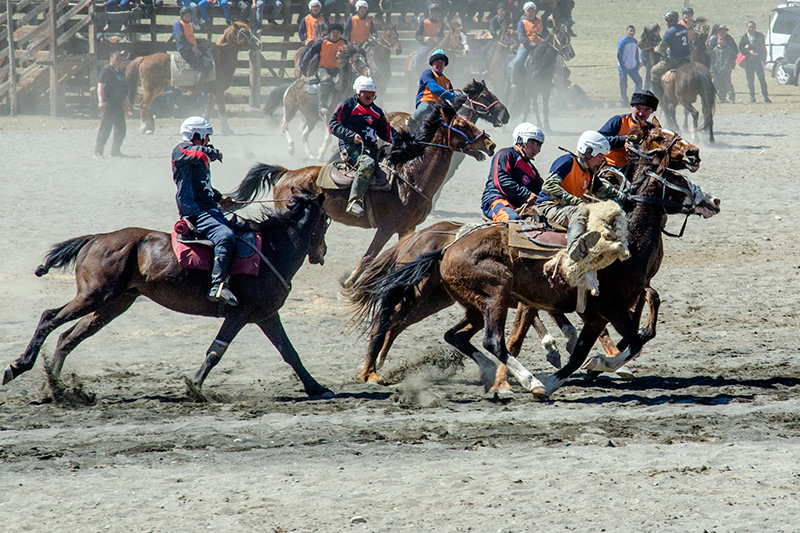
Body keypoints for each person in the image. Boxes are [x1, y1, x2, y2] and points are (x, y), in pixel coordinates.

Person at [172, 116, 238, 306]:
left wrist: (219, 198)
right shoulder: (182, 150)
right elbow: (202, 154)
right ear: (195, 134)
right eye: (206, 136)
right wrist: (215, 153)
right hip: (196, 211)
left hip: (207, 206)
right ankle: (218, 285)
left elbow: (203, 186)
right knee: (224, 236)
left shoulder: (195, 156)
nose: (208, 140)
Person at [535, 131, 623, 261]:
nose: (601, 161)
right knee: (583, 209)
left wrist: (625, 197)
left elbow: (604, 192)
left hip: (567, 210)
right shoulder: (567, 161)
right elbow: (549, 186)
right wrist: (577, 202)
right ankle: (574, 245)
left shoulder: (588, 172)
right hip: (548, 207)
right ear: (588, 152)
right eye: (599, 156)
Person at [328, 76, 396, 216]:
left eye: (372, 93)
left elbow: (387, 132)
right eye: (366, 92)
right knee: (368, 164)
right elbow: (333, 125)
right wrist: (351, 136)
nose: (369, 95)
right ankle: (354, 200)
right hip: (351, 147)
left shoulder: (377, 112)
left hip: (371, 148)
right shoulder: (346, 106)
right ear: (358, 92)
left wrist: (406, 139)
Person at [481, 122, 545, 222]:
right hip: (497, 200)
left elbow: (541, 190)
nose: (535, 148)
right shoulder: (506, 154)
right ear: (520, 140)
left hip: (518, 206)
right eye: (532, 142)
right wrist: (526, 195)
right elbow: (502, 182)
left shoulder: (532, 170)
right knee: (511, 219)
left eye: (539, 144)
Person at [598, 89, 658, 169]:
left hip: (637, 170)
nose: (641, 113)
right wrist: (624, 140)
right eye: (638, 108)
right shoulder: (619, 121)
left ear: (652, 111)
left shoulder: (653, 129)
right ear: (632, 107)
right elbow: (598, 140)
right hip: (611, 166)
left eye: (646, 110)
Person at [300, 22, 348, 116]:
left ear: (340, 34)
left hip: (337, 70)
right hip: (323, 69)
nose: (335, 34)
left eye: (337, 32)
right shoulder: (322, 42)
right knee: (326, 81)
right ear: (330, 33)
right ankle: (323, 106)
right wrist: (302, 66)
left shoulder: (344, 43)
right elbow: (310, 53)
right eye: (333, 32)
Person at [408, 48, 457, 131]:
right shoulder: (427, 73)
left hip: (440, 106)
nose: (439, 65)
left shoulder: (447, 81)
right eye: (437, 62)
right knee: (424, 109)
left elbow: (454, 97)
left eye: (442, 63)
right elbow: (435, 88)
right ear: (432, 63)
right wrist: (453, 96)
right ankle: (410, 128)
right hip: (427, 102)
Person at [95, 51, 132, 159]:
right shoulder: (106, 70)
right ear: (111, 59)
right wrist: (101, 101)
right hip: (108, 103)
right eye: (116, 59)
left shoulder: (120, 72)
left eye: (120, 59)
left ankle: (115, 151)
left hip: (118, 104)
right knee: (105, 128)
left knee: (121, 128)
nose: (118, 61)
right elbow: (101, 86)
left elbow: (123, 91)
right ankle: (98, 152)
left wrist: (128, 104)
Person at [650, 11, 690, 101]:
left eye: (667, 20)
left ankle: (657, 94)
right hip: (687, 57)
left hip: (674, 60)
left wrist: (655, 49)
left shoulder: (670, 32)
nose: (666, 23)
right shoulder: (684, 28)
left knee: (654, 71)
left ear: (671, 21)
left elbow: (661, 49)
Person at [173, 6, 212, 87]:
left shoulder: (189, 25)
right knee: (207, 63)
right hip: (186, 50)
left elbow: (189, 37)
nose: (187, 17)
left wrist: (199, 41)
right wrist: (193, 47)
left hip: (192, 47)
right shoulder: (178, 25)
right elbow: (181, 39)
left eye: (189, 15)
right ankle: (199, 85)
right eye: (185, 15)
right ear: (182, 15)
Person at [509, 2, 545, 88]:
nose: (531, 12)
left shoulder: (540, 21)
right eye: (529, 11)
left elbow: (545, 32)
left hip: (540, 46)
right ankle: (514, 81)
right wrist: (529, 43)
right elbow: (521, 36)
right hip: (526, 46)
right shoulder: (522, 23)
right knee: (518, 60)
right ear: (526, 12)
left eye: (533, 11)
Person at [739, 21, 771, 103]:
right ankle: (752, 97)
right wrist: (749, 52)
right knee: (750, 80)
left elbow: (760, 45)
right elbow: (741, 49)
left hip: (758, 61)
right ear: (747, 28)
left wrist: (749, 46)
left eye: (752, 27)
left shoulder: (759, 36)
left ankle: (765, 97)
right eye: (749, 27)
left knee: (762, 79)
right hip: (749, 62)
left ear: (755, 27)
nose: (751, 29)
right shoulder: (744, 37)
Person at [708, 25, 737, 103]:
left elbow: (735, 51)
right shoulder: (713, 40)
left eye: (724, 30)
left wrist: (731, 63)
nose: (723, 32)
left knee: (727, 83)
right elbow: (710, 54)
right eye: (721, 30)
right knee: (717, 83)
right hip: (716, 67)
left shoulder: (729, 40)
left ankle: (731, 97)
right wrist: (713, 68)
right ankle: (721, 98)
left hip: (726, 67)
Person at [617, 25, 642, 106]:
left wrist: (637, 63)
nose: (632, 32)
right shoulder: (623, 41)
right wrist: (622, 65)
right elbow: (619, 54)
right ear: (627, 31)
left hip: (633, 66)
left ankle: (636, 99)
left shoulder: (635, 41)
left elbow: (636, 53)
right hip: (624, 66)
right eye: (630, 31)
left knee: (639, 81)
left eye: (633, 31)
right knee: (624, 83)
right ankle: (624, 100)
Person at [415, 4, 444, 73]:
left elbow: (442, 36)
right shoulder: (424, 22)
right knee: (419, 57)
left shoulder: (440, 24)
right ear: (430, 13)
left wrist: (438, 39)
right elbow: (417, 35)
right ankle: (419, 75)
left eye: (437, 12)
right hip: (425, 45)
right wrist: (424, 38)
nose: (436, 14)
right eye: (434, 12)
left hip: (435, 45)